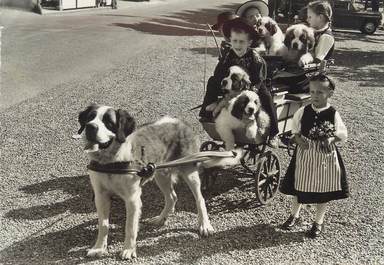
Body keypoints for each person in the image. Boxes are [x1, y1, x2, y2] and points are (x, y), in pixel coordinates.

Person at [279, 73, 349, 238]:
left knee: (323, 188)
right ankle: (294, 215)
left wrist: (331, 138)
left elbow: (342, 134)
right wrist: (297, 139)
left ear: (329, 94)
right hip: (305, 154)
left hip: (324, 156)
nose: (315, 96)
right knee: (299, 185)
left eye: (320, 92)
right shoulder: (303, 111)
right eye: (312, 92)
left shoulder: (333, 113)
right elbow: (294, 129)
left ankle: (318, 221)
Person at [199, 17, 280, 147]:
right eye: (234, 41)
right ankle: (206, 113)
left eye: (241, 42)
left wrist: (251, 91)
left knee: (266, 96)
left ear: (249, 42)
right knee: (212, 81)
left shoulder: (254, 57)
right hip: (233, 86)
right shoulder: (227, 55)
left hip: (253, 86)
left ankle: (273, 133)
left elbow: (259, 79)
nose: (237, 45)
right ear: (230, 40)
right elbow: (218, 73)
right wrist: (221, 84)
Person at [275, 0, 335, 94]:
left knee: (280, 80)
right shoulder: (314, 31)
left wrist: (297, 68)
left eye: (310, 17)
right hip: (302, 71)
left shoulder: (326, 37)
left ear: (320, 17)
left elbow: (317, 63)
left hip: (312, 77)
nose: (307, 19)